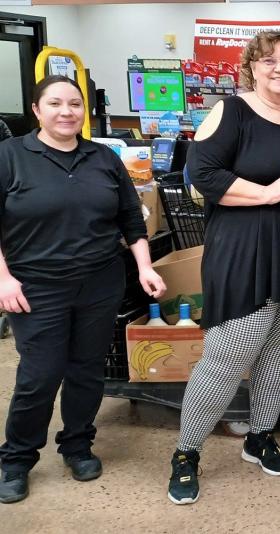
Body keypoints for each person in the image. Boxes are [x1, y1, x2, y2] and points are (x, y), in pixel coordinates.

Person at [166, 31, 280, 505]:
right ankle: (186, 452)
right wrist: (264, 192)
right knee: (229, 355)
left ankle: (260, 435)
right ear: (251, 66)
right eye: (269, 61)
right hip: (245, 251)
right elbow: (201, 174)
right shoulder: (232, 112)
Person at [0, 75, 166, 504]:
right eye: (55, 103)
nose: (66, 111)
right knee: (40, 375)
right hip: (35, 287)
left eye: (74, 103)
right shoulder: (10, 156)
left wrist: (144, 267)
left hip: (99, 281)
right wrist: (3, 279)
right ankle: (16, 459)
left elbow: (131, 218)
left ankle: (77, 445)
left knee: (87, 369)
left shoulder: (103, 158)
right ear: (37, 110)